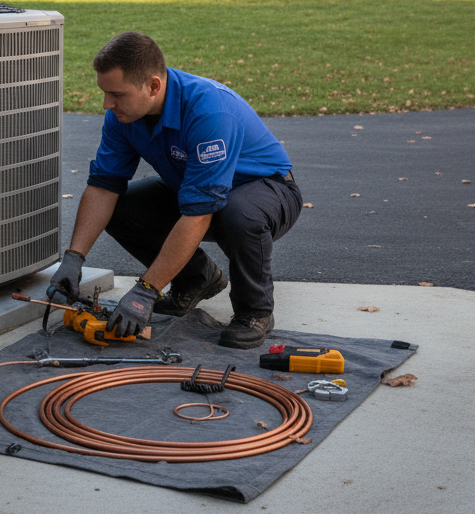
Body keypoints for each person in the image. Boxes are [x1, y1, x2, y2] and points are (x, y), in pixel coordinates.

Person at [48, 31, 303, 349]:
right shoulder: (123, 115)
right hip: (196, 189)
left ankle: (255, 312)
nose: (107, 104)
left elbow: (200, 214)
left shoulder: (209, 112)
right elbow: (102, 188)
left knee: (237, 215)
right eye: (105, 93)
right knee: (121, 209)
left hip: (267, 190)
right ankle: (196, 278)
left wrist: (146, 291)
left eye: (117, 94)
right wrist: (73, 260)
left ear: (153, 86)